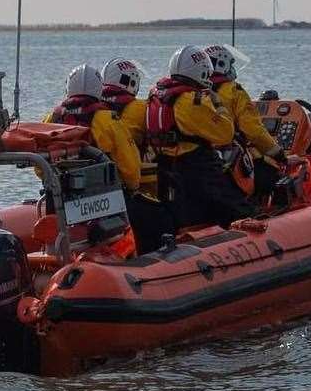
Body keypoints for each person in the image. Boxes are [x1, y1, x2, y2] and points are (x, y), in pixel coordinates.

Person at [46, 64, 172, 254]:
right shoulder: (108, 120)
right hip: (104, 203)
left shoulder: (50, 119)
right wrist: (132, 188)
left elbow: (41, 168)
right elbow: (130, 170)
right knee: (158, 217)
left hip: (59, 201)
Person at [144, 45, 257, 229]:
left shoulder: (156, 94)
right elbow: (225, 134)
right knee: (237, 207)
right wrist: (217, 103)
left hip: (165, 165)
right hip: (197, 166)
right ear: (201, 71)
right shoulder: (193, 101)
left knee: (187, 214)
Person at [205, 43, 286, 200]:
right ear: (223, 65)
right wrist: (277, 153)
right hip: (231, 157)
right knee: (270, 173)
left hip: (204, 156)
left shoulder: (194, 93)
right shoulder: (234, 92)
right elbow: (253, 131)